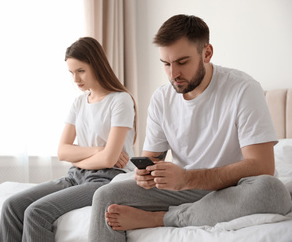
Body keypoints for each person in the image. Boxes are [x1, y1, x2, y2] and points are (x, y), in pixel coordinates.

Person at [88, 14, 292, 242]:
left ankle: (162, 218)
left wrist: (187, 178)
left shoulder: (243, 89)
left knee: (271, 190)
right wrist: (146, 175)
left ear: (207, 53)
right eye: (166, 64)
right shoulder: (161, 99)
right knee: (105, 196)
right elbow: (150, 159)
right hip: (183, 189)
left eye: (182, 62)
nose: (173, 74)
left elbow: (262, 166)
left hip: (233, 189)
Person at [0, 37, 137, 242]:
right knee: (11, 206)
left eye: (81, 71)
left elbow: (109, 161)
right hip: (75, 176)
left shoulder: (120, 100)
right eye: (72, 73)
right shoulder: (79, 102)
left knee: (36, 212)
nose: (76, 79)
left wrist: (81, 155)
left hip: (105, 179)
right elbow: (63, 151)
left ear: (97, 65)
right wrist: (97, 150)